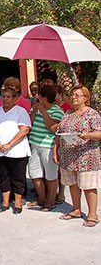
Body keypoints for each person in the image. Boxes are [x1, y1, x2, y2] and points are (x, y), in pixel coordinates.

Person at [54, 85, 101, 227]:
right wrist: (56, 150)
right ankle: (76, 209)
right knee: (73, 184)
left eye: (77, 95)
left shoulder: (92, 114)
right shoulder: (67, 113)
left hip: (86, 157)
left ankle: (92, 214)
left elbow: (99, 133)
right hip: (68, 156)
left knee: (88, 186)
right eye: (72, 95)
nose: (73, 97)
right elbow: (59, 133)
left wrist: (86, 135)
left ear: (85, 98)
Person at [0, 87, 31, 214]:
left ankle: (17, 202)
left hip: (17, 151)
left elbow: (24, 130)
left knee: (18, 177)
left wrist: (10, 144)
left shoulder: (21, 112)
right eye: (3, 96)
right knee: (3, 176)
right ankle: (5, 202)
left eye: (8, 97)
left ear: (15, 98)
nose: (5, 99)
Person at [27, 85, 64, 211]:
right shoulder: (36, 108)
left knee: (50, 175)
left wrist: (43, 112)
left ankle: (50, 200)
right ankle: (42, 199)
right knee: (34, 173)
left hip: (48, 146)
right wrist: (34, 110)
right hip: (34, 144)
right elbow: (29, 124)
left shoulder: (58, 111)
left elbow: (52, 128)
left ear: (43, 97)